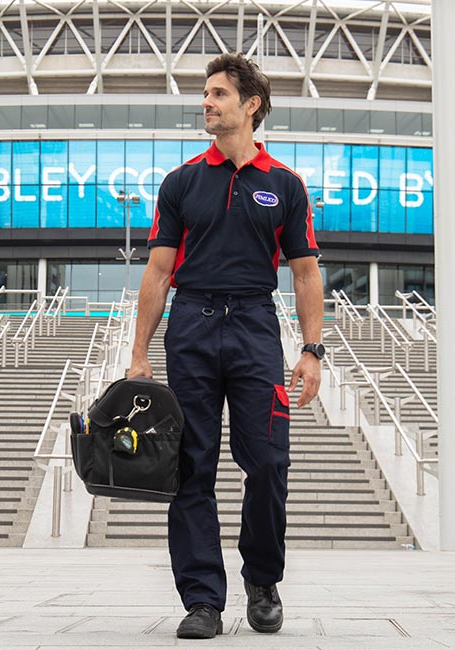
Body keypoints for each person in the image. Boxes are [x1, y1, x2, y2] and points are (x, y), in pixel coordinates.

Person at [128, 52, 324, 639]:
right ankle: (203, 600)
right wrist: (140, 355)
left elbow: (307, 273)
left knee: (267, 461)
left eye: (217, 94)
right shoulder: (182, 181)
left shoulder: (284, 186)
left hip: (255, 329)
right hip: (190, 326)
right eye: (205, 94)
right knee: (191, 467)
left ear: (250, 105)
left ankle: (262, 581)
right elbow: (158, 272)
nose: (206, 103)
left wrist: (312, 351)